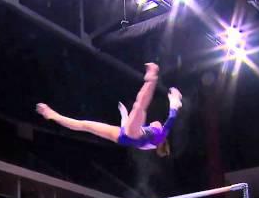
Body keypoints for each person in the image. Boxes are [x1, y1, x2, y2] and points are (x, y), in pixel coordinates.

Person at [36, 63, 182, 157]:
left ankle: (151, 78)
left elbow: (171, 119)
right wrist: (123, 113)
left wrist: (174, 102)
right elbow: (128, 126)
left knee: (139, 108)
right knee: (84, 125)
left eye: (157, 123)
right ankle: (53, 115)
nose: (156, 121)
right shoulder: (154, 132)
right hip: (124, 135)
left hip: (130, 136)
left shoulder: (160, 136)